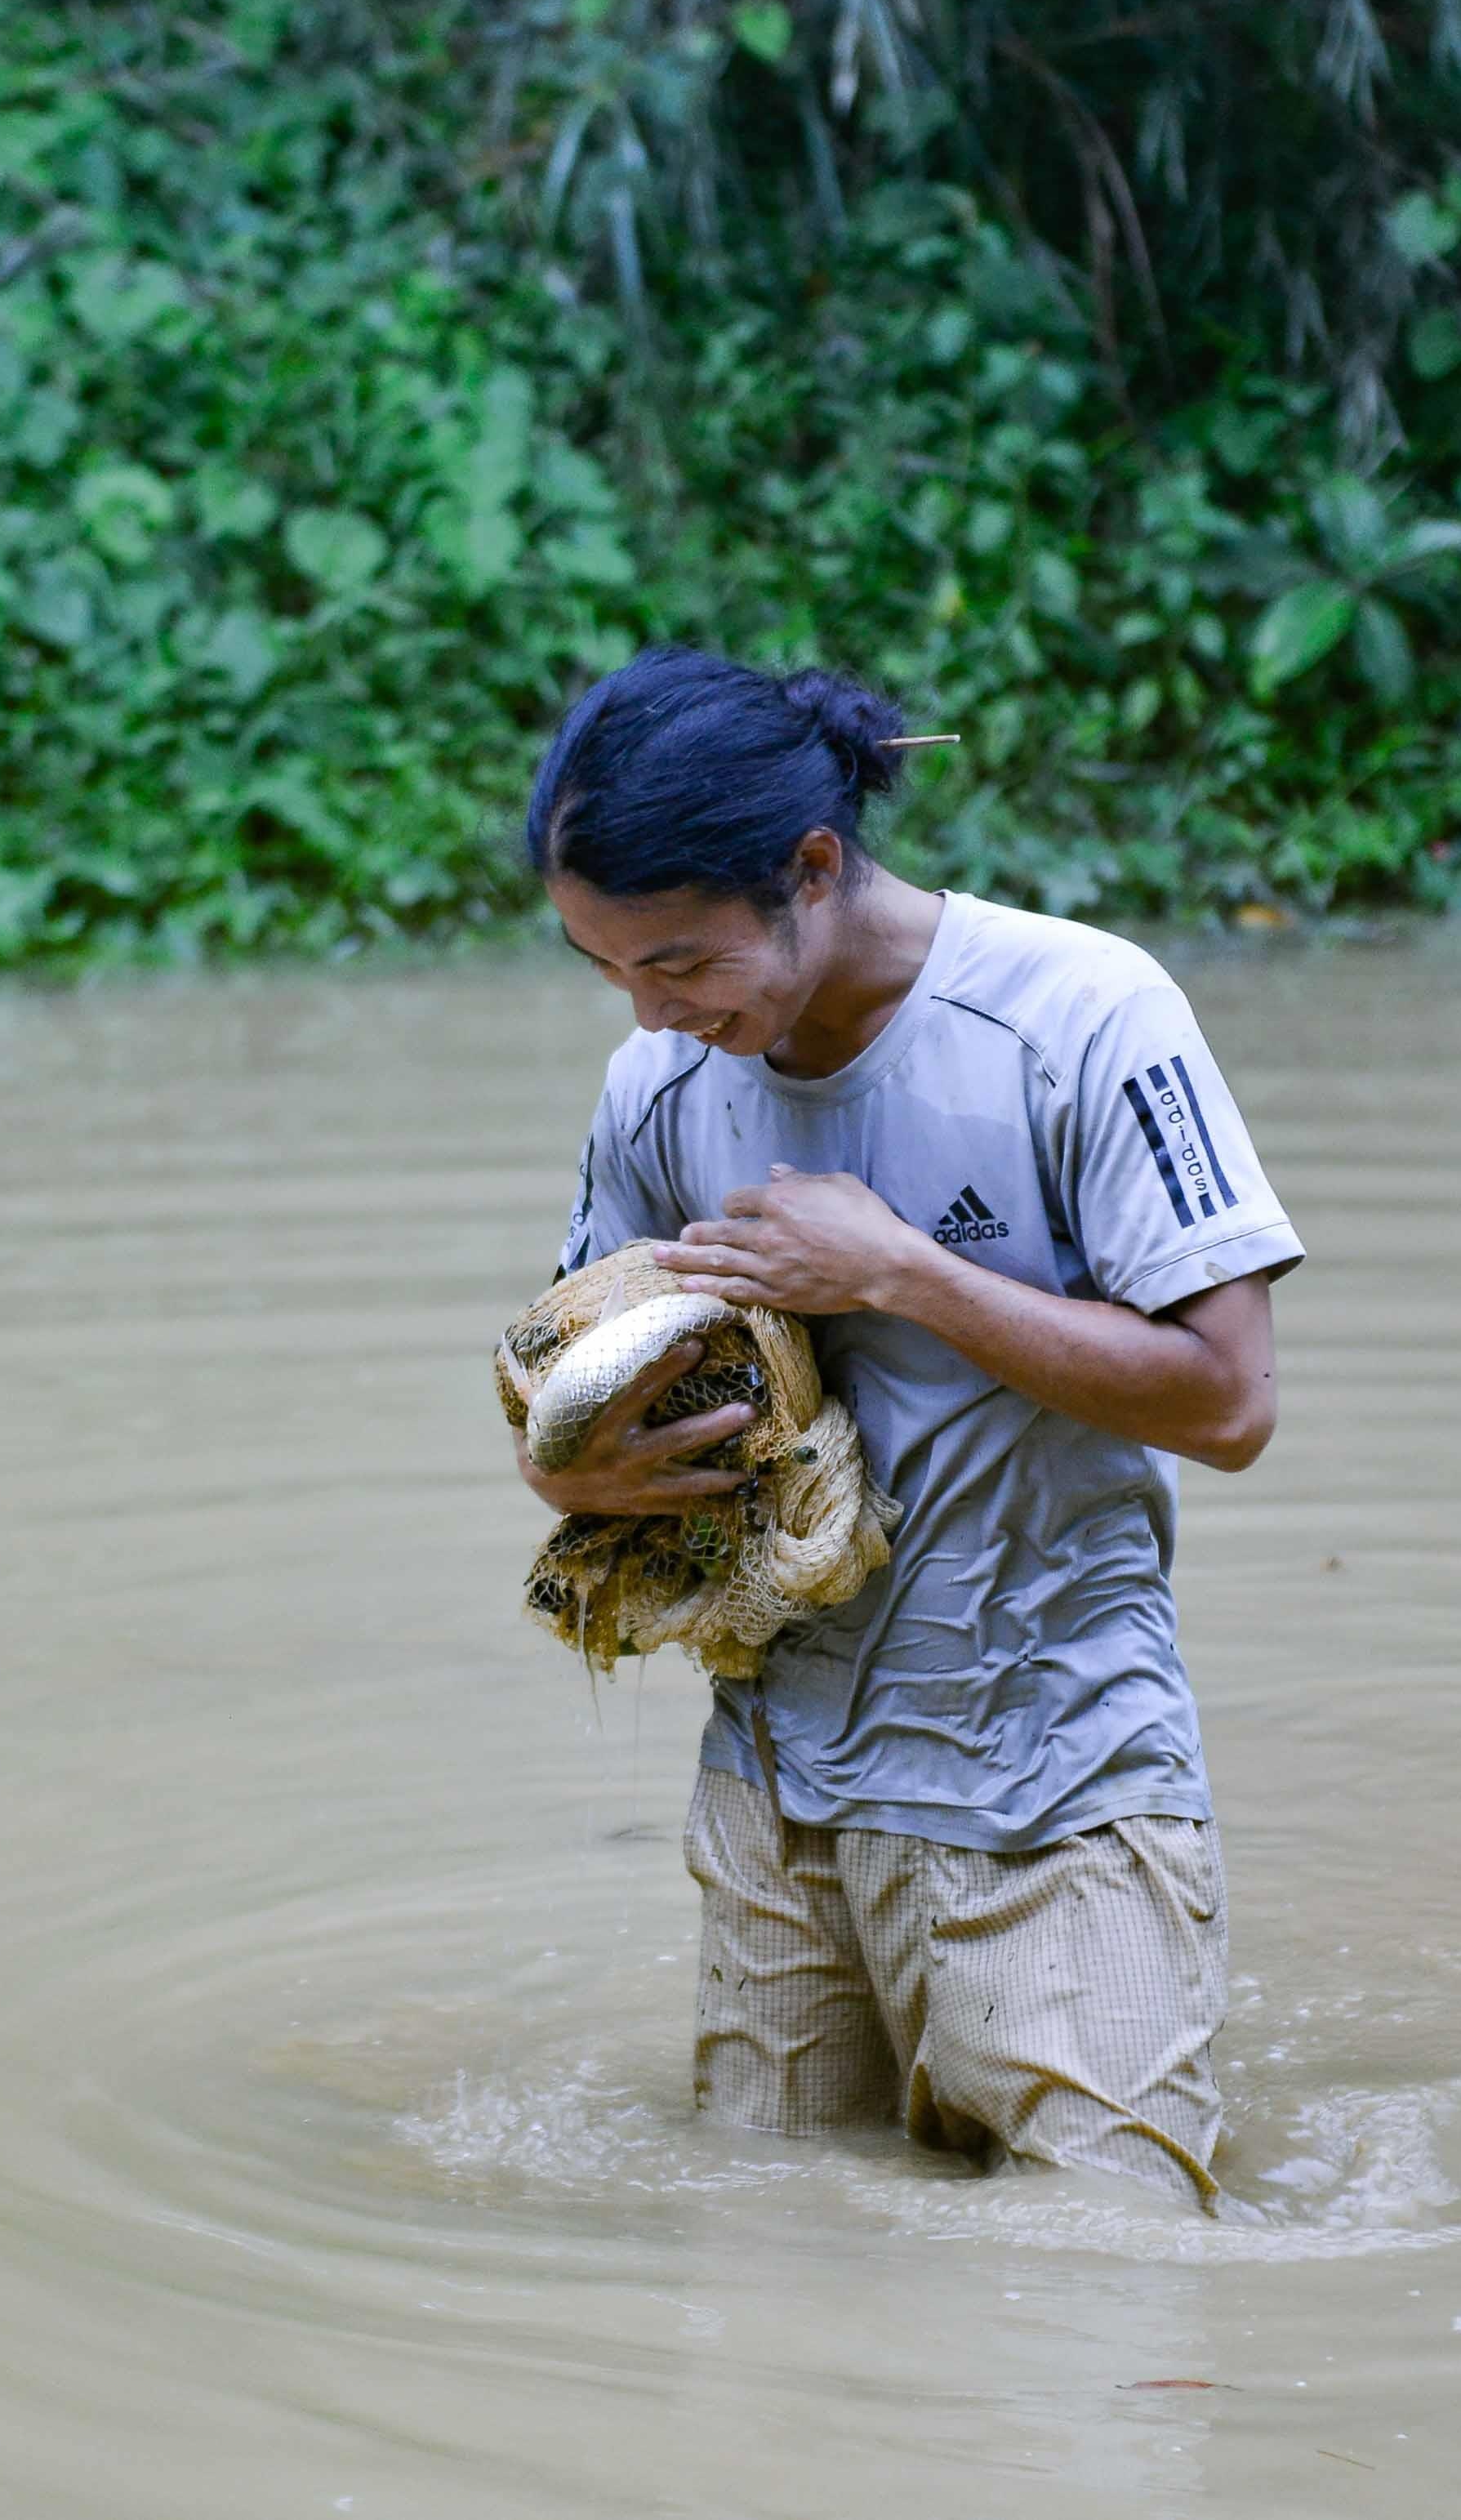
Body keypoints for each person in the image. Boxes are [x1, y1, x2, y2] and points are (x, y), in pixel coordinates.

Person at [511, 646, 1303, 2209]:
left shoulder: (1084, 1015)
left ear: (811, 871)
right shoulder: (659, 1087)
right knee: (778, 2303)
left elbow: (1230, 1400)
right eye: (608, 972)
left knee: (1111, 2296)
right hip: (777, 1795)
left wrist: (902, 1275)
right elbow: (578, 1385)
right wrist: (564, 1466)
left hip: (1058, 1780)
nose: (651, 1013)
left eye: (676, 963)